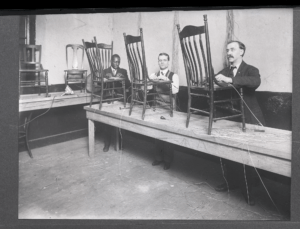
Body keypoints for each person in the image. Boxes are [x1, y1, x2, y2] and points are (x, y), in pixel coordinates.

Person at [214, 41, 266, 206]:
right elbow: (215, 79)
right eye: (227, 50)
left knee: (248, 157)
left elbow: (255, 82)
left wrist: (229, 79)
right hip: (233, 117)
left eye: (232, 49)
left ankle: (248, 190)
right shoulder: (225, 70)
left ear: (242, 51)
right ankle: (231, 182)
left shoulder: (251, 69)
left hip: (250, 119)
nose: (229, 52)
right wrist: (216, 80)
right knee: (229, 152)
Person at [149, 53, 179, 170]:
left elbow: (175, 91)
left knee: (168, 135)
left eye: (164, 60)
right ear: (158, 62)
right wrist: (151, 80)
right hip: (157, 107)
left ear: (168, 62)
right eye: (160, 60)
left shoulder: (173, 75)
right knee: (157, 134)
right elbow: (146, 89)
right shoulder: (154, 75)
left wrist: (167, 81)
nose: (162, 62)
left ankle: (168, 160)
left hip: (169, 108)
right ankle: (158, 158)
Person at [102, 54, 131, 152]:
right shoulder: (105, 71)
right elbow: (98, 84)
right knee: (107, 123)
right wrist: (105, 78)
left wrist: (123, 77)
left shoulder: (123, 71)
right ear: (111, 61)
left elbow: (128, 85)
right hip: (108, 99)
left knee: (120, 122)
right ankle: (107, 144)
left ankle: (120, 143)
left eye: (118, 62)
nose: (117, 64)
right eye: (115, 61)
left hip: (119, 99)